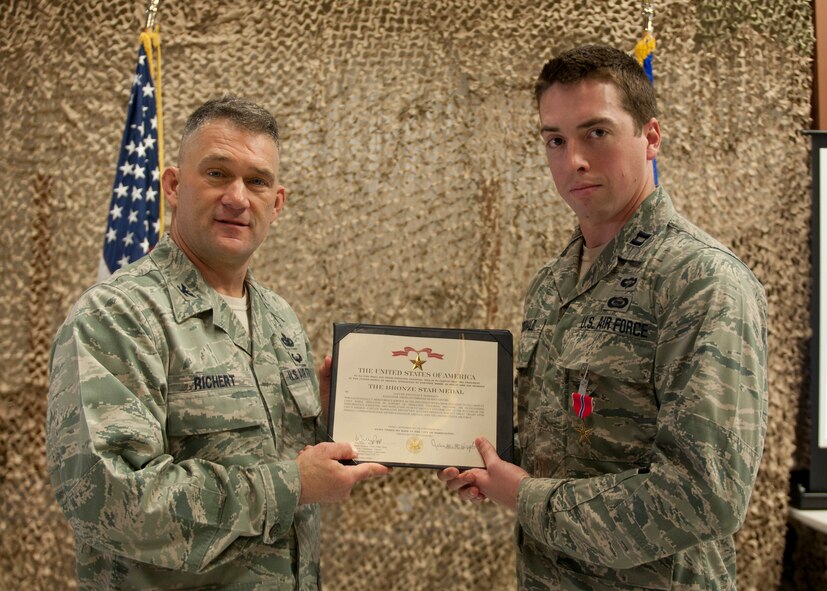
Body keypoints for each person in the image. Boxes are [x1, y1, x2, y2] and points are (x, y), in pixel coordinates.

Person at [439, 45, 768, 589]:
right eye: (555, 140)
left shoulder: (702, 282)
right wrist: (488, 462)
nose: (574, 161)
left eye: (597, 133)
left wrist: (522, 495)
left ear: (651, 137)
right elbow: (570, 441)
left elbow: (704, 496)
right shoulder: (551, 285)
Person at [46, 95, 389, 590]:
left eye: (257, 181)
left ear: (278, 201)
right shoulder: (118, 316)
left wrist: (329, 415)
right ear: (173, 185)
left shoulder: (279, 318)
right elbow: (108, 499)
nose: (237, 197)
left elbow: (264, 449)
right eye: (216, 174)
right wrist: (290, 486)